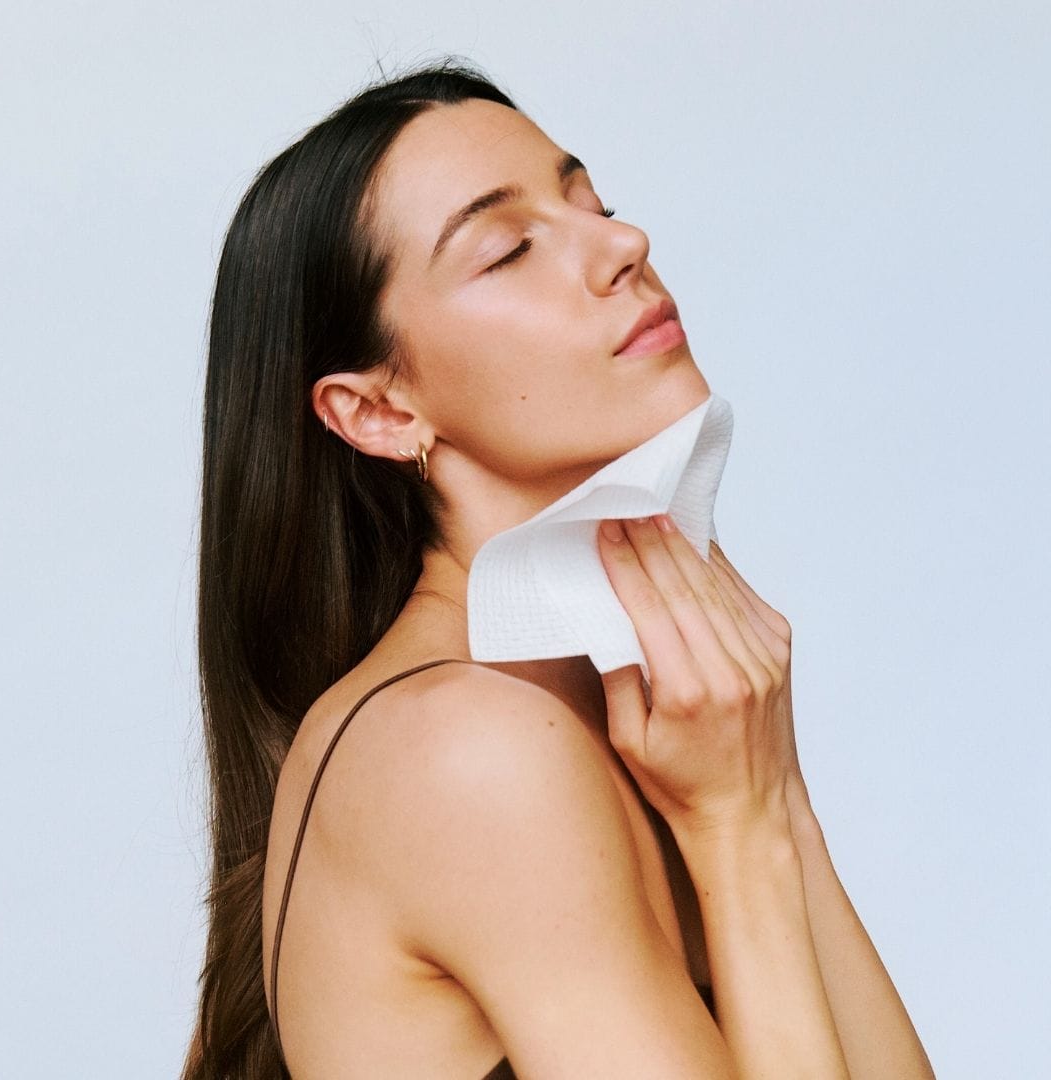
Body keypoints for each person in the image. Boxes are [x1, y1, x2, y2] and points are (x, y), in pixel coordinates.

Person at [182, 58, 935, 1080]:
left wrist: (772, 793)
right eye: (509, 250)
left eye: (595, 204)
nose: (625, 246)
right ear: (380, 413)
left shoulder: (639, 707)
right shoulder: (463, 745)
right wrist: (741, 831)